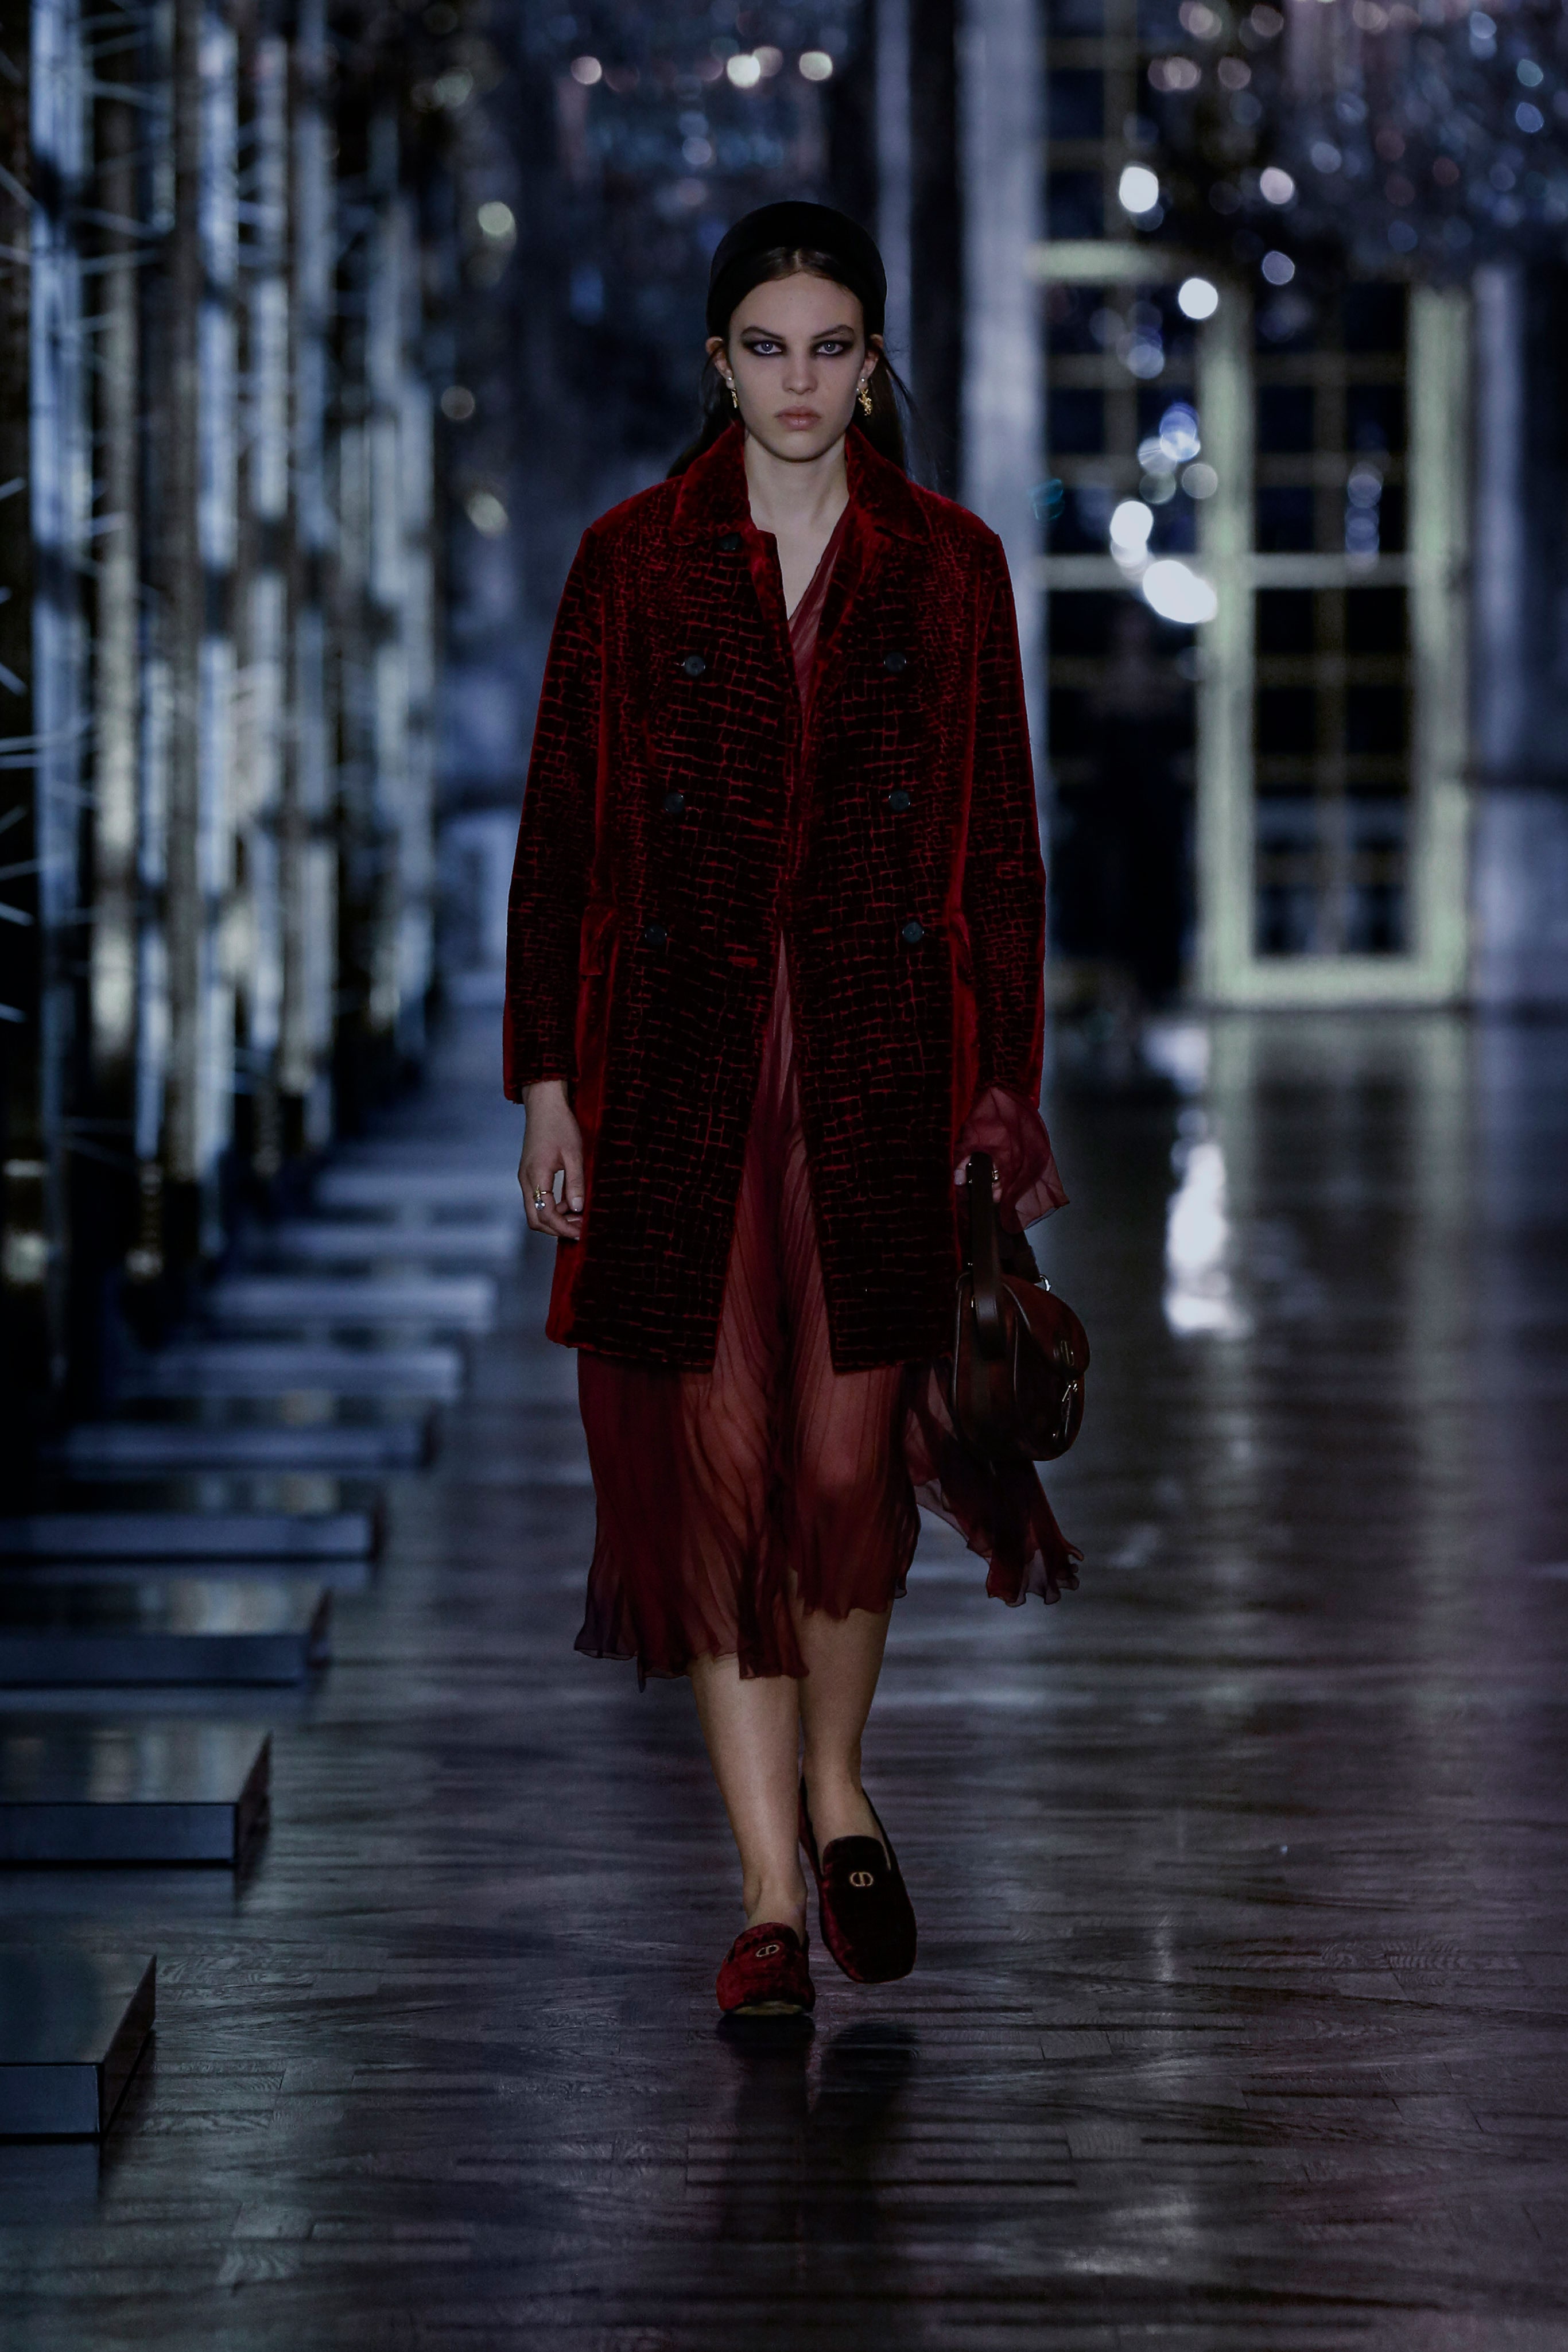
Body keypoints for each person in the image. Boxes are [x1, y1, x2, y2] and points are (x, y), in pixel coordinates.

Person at [505, 201, 1077, 2021]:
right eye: (767, 347)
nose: (800, 380)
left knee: (840, 1466)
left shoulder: (950, 566)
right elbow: (557, 839)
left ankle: (837, 1785)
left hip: (880, 1067)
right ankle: (767, 1891)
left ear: (873, 361)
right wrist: (546, 1086)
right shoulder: (630, 561)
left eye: (831, 347)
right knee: (714, 1480)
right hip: (673, 1076)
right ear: (718, 363)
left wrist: (1004, 1089)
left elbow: (1002, 850)